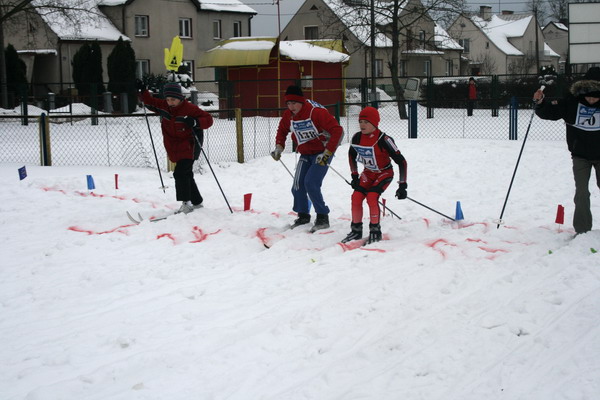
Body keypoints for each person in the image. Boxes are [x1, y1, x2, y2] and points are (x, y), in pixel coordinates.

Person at [533, 66, 600, 235]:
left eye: (596, 97)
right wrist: (540, 102)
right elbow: (550, 111)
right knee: (582, 193)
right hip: (580, 156)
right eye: (589, 96)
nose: (592, 100)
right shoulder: (572, 103)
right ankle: (583, 230)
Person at [271, 85, 344, 232]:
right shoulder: (288, 115)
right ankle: (303, 215)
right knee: (297, 185)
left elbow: (338, 130)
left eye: (294, 103)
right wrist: (279, 146)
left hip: (322, 153)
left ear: (301, 102)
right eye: (288, 103)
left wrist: (328, 153)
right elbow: (282, 130)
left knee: (311, 183)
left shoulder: (315, 112)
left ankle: (322, 216)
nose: (291, 107)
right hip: (305, 153)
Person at [137, 81, 213, 214]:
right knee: (187, 174)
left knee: (180, 173)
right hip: (173, 146)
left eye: (173, 99)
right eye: (167, 99)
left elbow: (208, 120)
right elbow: (150, 102)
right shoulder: (164, 106)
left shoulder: (190, 109)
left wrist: (195, 122)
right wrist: (143, 90)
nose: (170, 102)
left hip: (190, 146)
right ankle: (197, 201)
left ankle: (186, 204)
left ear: (180, 98)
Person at [342, 106, 408, 244]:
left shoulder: (384, 139)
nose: (362, 125)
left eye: (366, 122)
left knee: (372, 197)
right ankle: (356, 230)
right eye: (360, 122)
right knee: (356, 197)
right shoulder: (357, 137)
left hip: (384, 172)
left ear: (374, 123)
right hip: (368, 173)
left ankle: (375, 231)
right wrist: (354, 176)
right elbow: (351, 155)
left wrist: (402, 185)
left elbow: (401, 162)